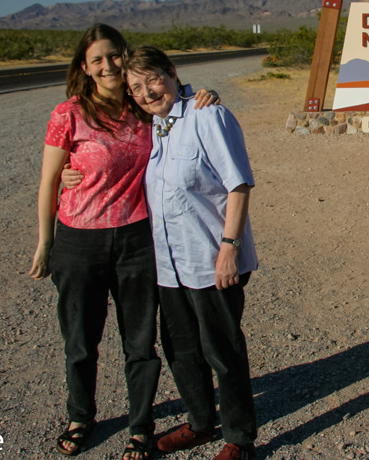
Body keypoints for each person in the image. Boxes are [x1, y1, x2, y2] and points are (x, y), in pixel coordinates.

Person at [29, 24, 217, 460]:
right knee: (79, 338)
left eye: (114, 56)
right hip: (78, 242)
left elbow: (177, 101)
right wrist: (45, 242)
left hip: (137, 239)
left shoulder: (142, 107)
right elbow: (48, 180)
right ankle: (80, 416)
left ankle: (140, 424)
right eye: (97, 59)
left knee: (139, 342)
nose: (109, 65)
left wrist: (205, 94)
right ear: (84, 67)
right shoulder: (68, 114)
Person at [125, 46, 260, 460]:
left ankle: (239, 439)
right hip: (170, 265)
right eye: (135, 87)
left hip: (210, 259)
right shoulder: (152, 127)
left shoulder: (207, 116)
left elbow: (238, 185)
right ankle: (201, 422)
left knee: (222, 350)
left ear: (172, 73)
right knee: (181, 349)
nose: (147, 92)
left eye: (153, 79)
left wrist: (229, 249)